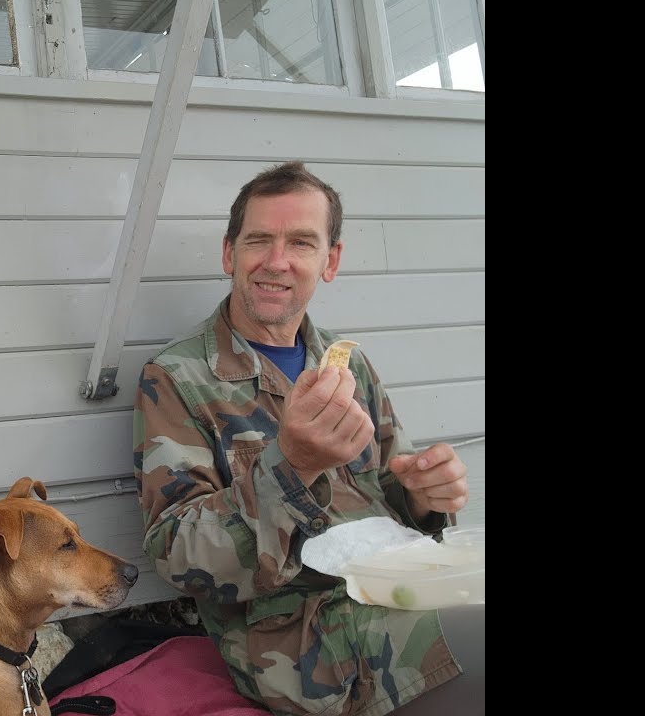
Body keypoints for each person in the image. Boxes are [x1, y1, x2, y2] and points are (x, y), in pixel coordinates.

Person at [132, 161, 483, 716]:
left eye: (301, 242)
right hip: (302, 638)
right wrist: (291, 467)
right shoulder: (176, 378)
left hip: (398, 583)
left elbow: (395, 492)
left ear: (331, 260)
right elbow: (179, 556)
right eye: (258, 241)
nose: (277, 261)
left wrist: (425, 496)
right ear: (230, 255)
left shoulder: (350, 365)